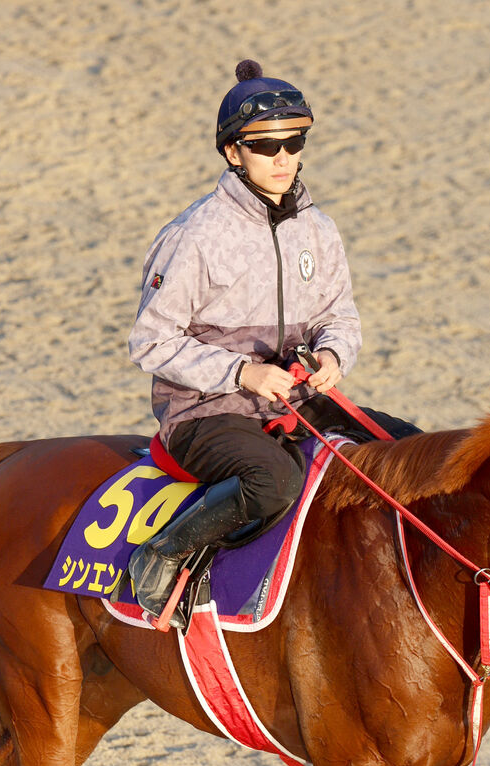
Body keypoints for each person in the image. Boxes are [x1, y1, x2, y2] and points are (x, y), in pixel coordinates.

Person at [128, 60, 415, 624]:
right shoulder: (193, 237)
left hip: (297, 399)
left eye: (294, 141)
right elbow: (151, 342)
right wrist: (243, 375)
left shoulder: (319, 229)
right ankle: (162, 555)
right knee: (273, 482)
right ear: (234, 153)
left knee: (411, 450)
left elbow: (341, 316)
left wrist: (334, 355)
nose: (283, 157)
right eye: (266, 146)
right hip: (204, 412)